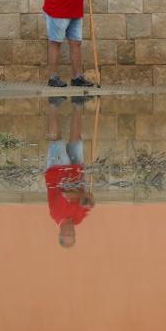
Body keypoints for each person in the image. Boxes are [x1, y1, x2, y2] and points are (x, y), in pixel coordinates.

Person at [45, 97, 94, 248]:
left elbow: (66, 194)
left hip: (57, 172)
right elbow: (89, 202)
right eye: (73, 235)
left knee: (56, 139)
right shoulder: (78, 219)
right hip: (76, 174)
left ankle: (53, 105)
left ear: (61, 233)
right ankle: (78, 104)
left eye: (68, 235)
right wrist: (89, 201)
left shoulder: (56, 214)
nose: (72, 232)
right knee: (76, 140)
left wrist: (82, 197)